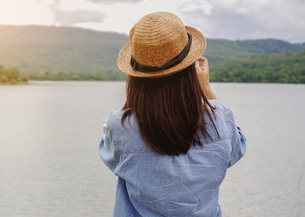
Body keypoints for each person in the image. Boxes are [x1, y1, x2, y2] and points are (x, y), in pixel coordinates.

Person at [99, 12, 246, 217]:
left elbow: (113, 160)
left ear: (136, 77)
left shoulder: (119, 127)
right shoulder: (218, 119)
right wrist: (206, 89)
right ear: (190, 69)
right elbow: (235, 149)